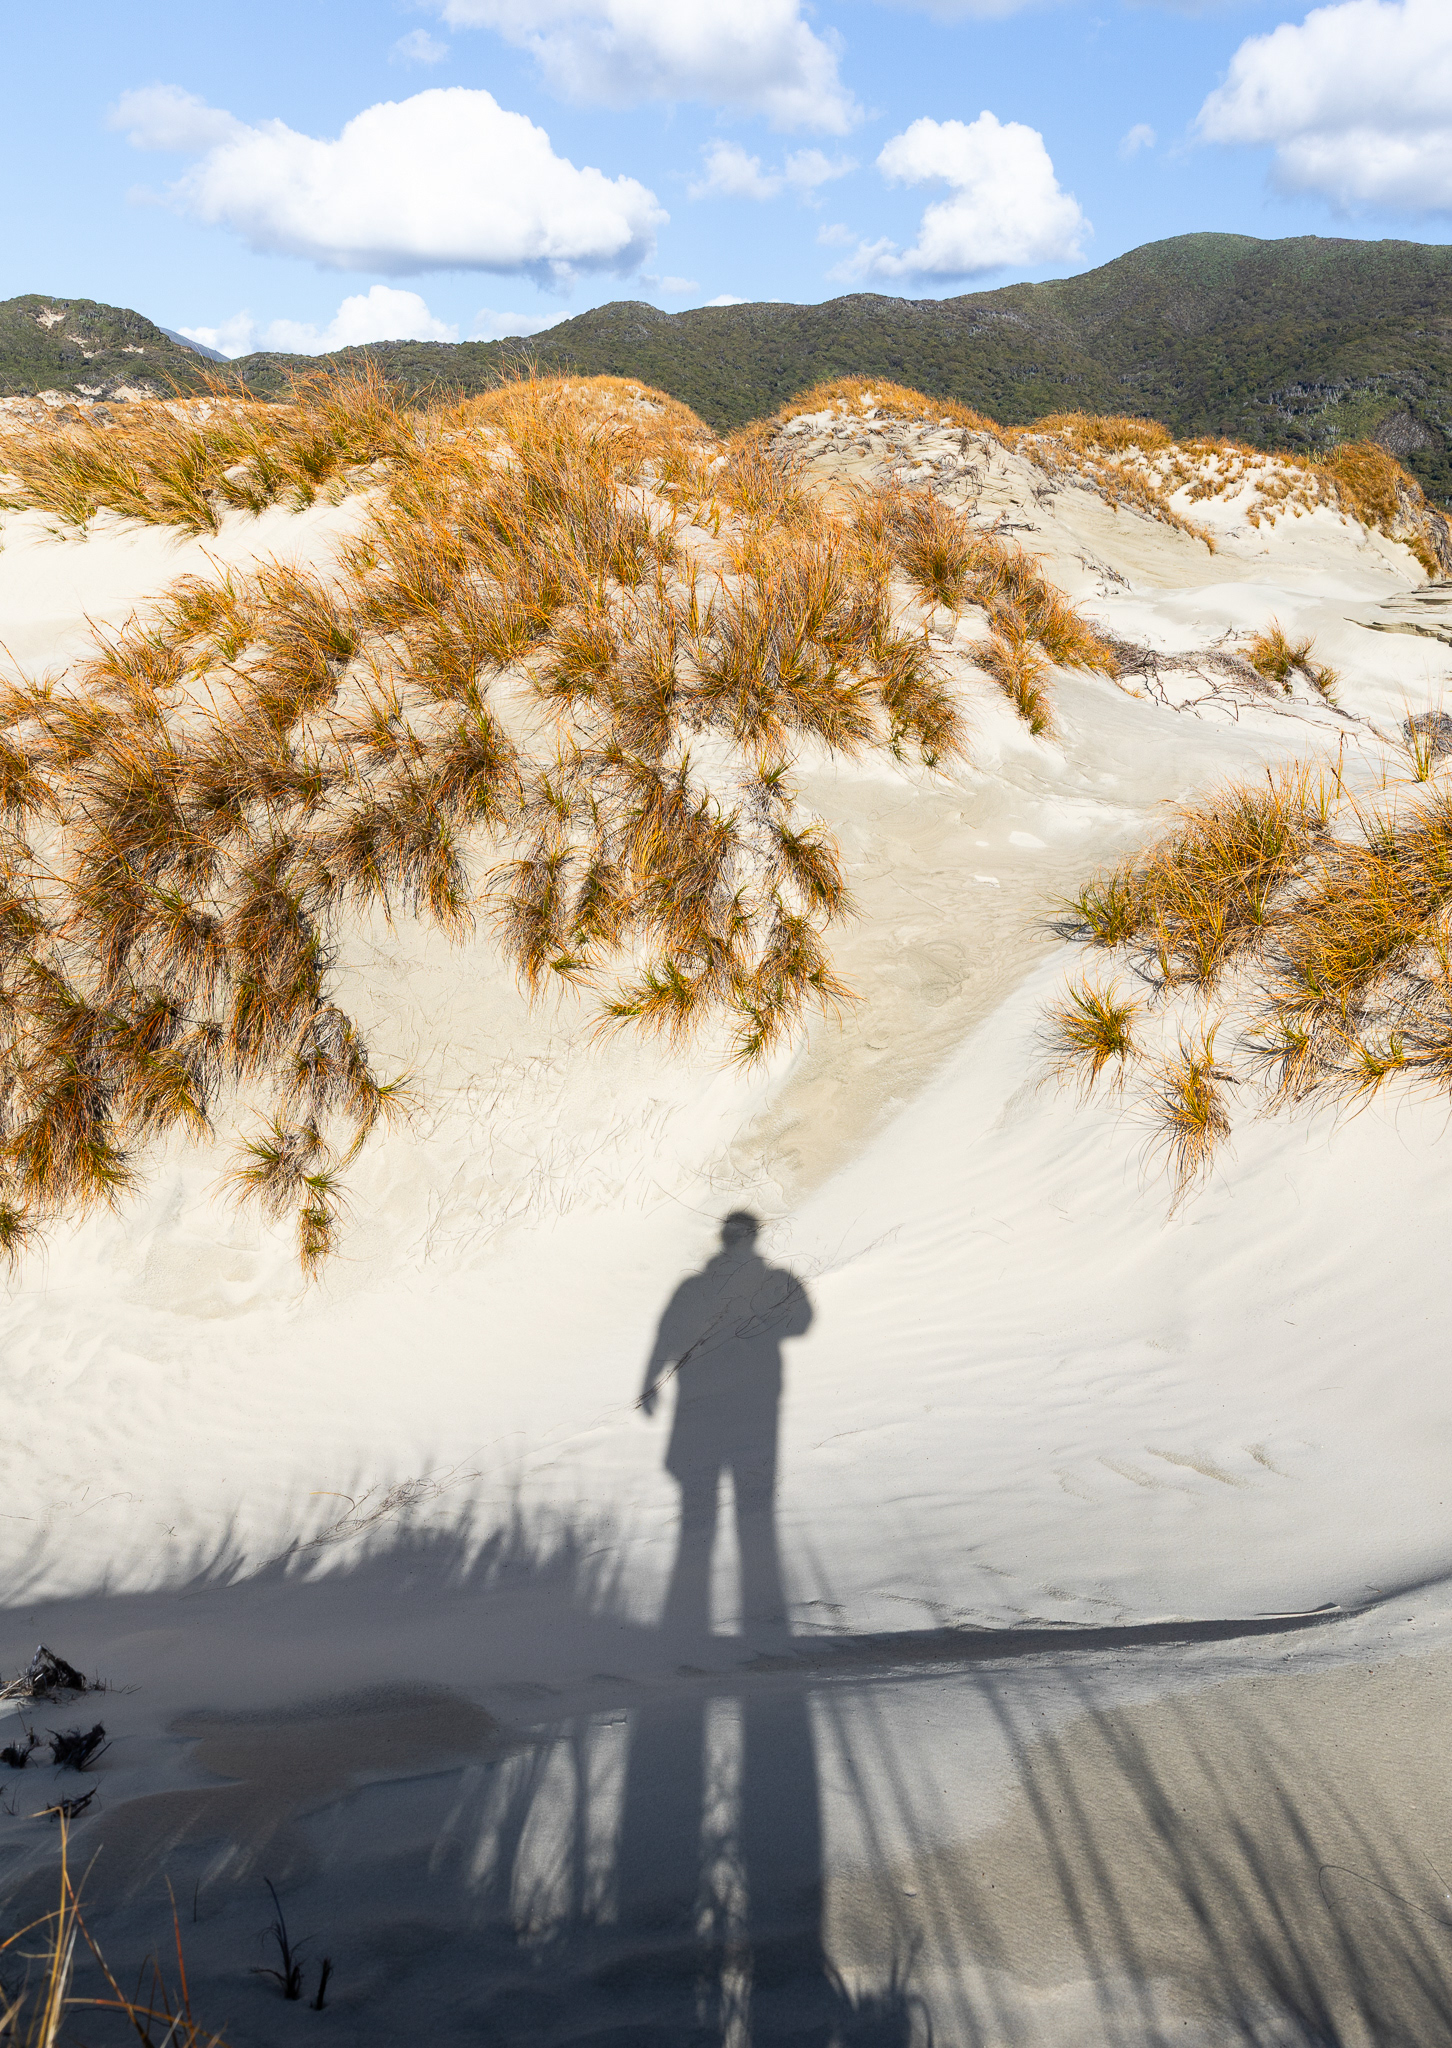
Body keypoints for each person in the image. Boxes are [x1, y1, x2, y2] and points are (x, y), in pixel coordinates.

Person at [640, 1210, 812, 1636]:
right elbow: (802, 1322)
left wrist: (650, 1382)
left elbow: (665, 1336)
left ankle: (687, 1619)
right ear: (752, 1239)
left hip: (706, 1416)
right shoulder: (771, 1282)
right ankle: (760, 1619)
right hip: (751, 1415)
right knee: (752, 1513)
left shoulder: (697, 1287)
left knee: (701, 1517)